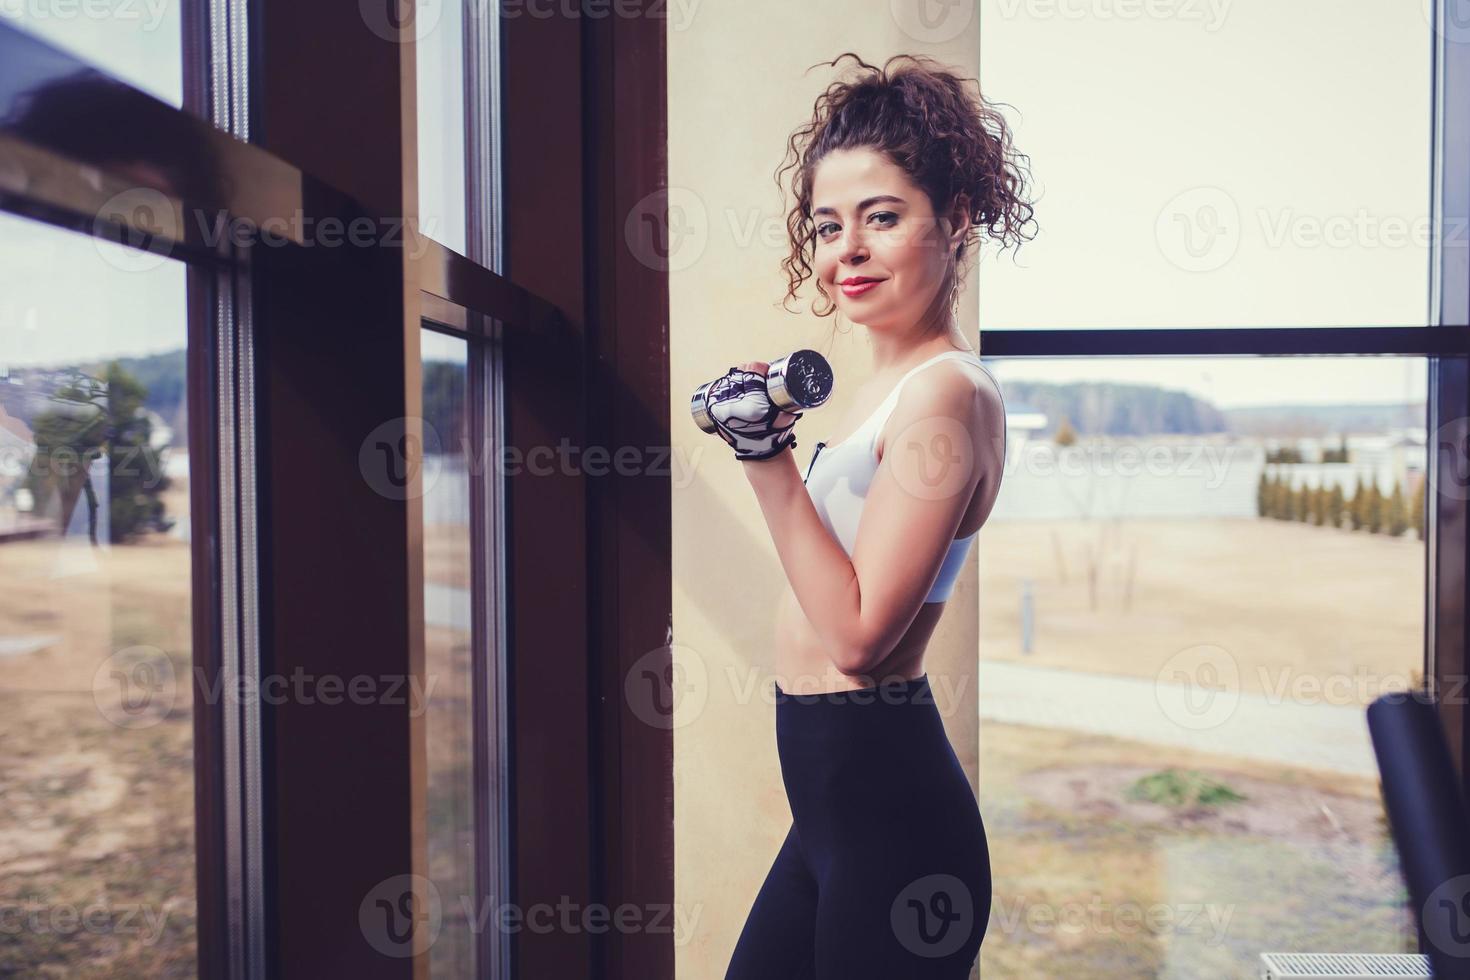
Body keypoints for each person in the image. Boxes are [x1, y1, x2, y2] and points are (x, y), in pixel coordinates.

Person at [703, 52, 1037, 979]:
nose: (846, 249)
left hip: (893, 828)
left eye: (881, 217)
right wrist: (771, 444)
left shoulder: (947, 400)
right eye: (827, 224)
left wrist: (762, 455)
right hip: (834, 815)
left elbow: (858, 637)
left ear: (956, 219)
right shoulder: (890, 390)